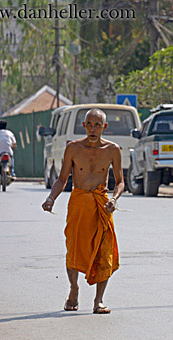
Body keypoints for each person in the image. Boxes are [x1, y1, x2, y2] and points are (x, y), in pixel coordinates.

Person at [41, 108, 124, 314]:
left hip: (102, 204)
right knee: (74, 248)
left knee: (104, 251)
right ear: (84, 126)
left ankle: (99, 300)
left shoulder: (113, 150)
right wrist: (51, 198)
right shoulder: (73, 149)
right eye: (90, 124)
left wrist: (114, 199)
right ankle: (74, 289)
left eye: (98, 125)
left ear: (104, 127)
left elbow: (121, 182)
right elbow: (62, 179)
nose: (93, 129)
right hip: (78, 203)